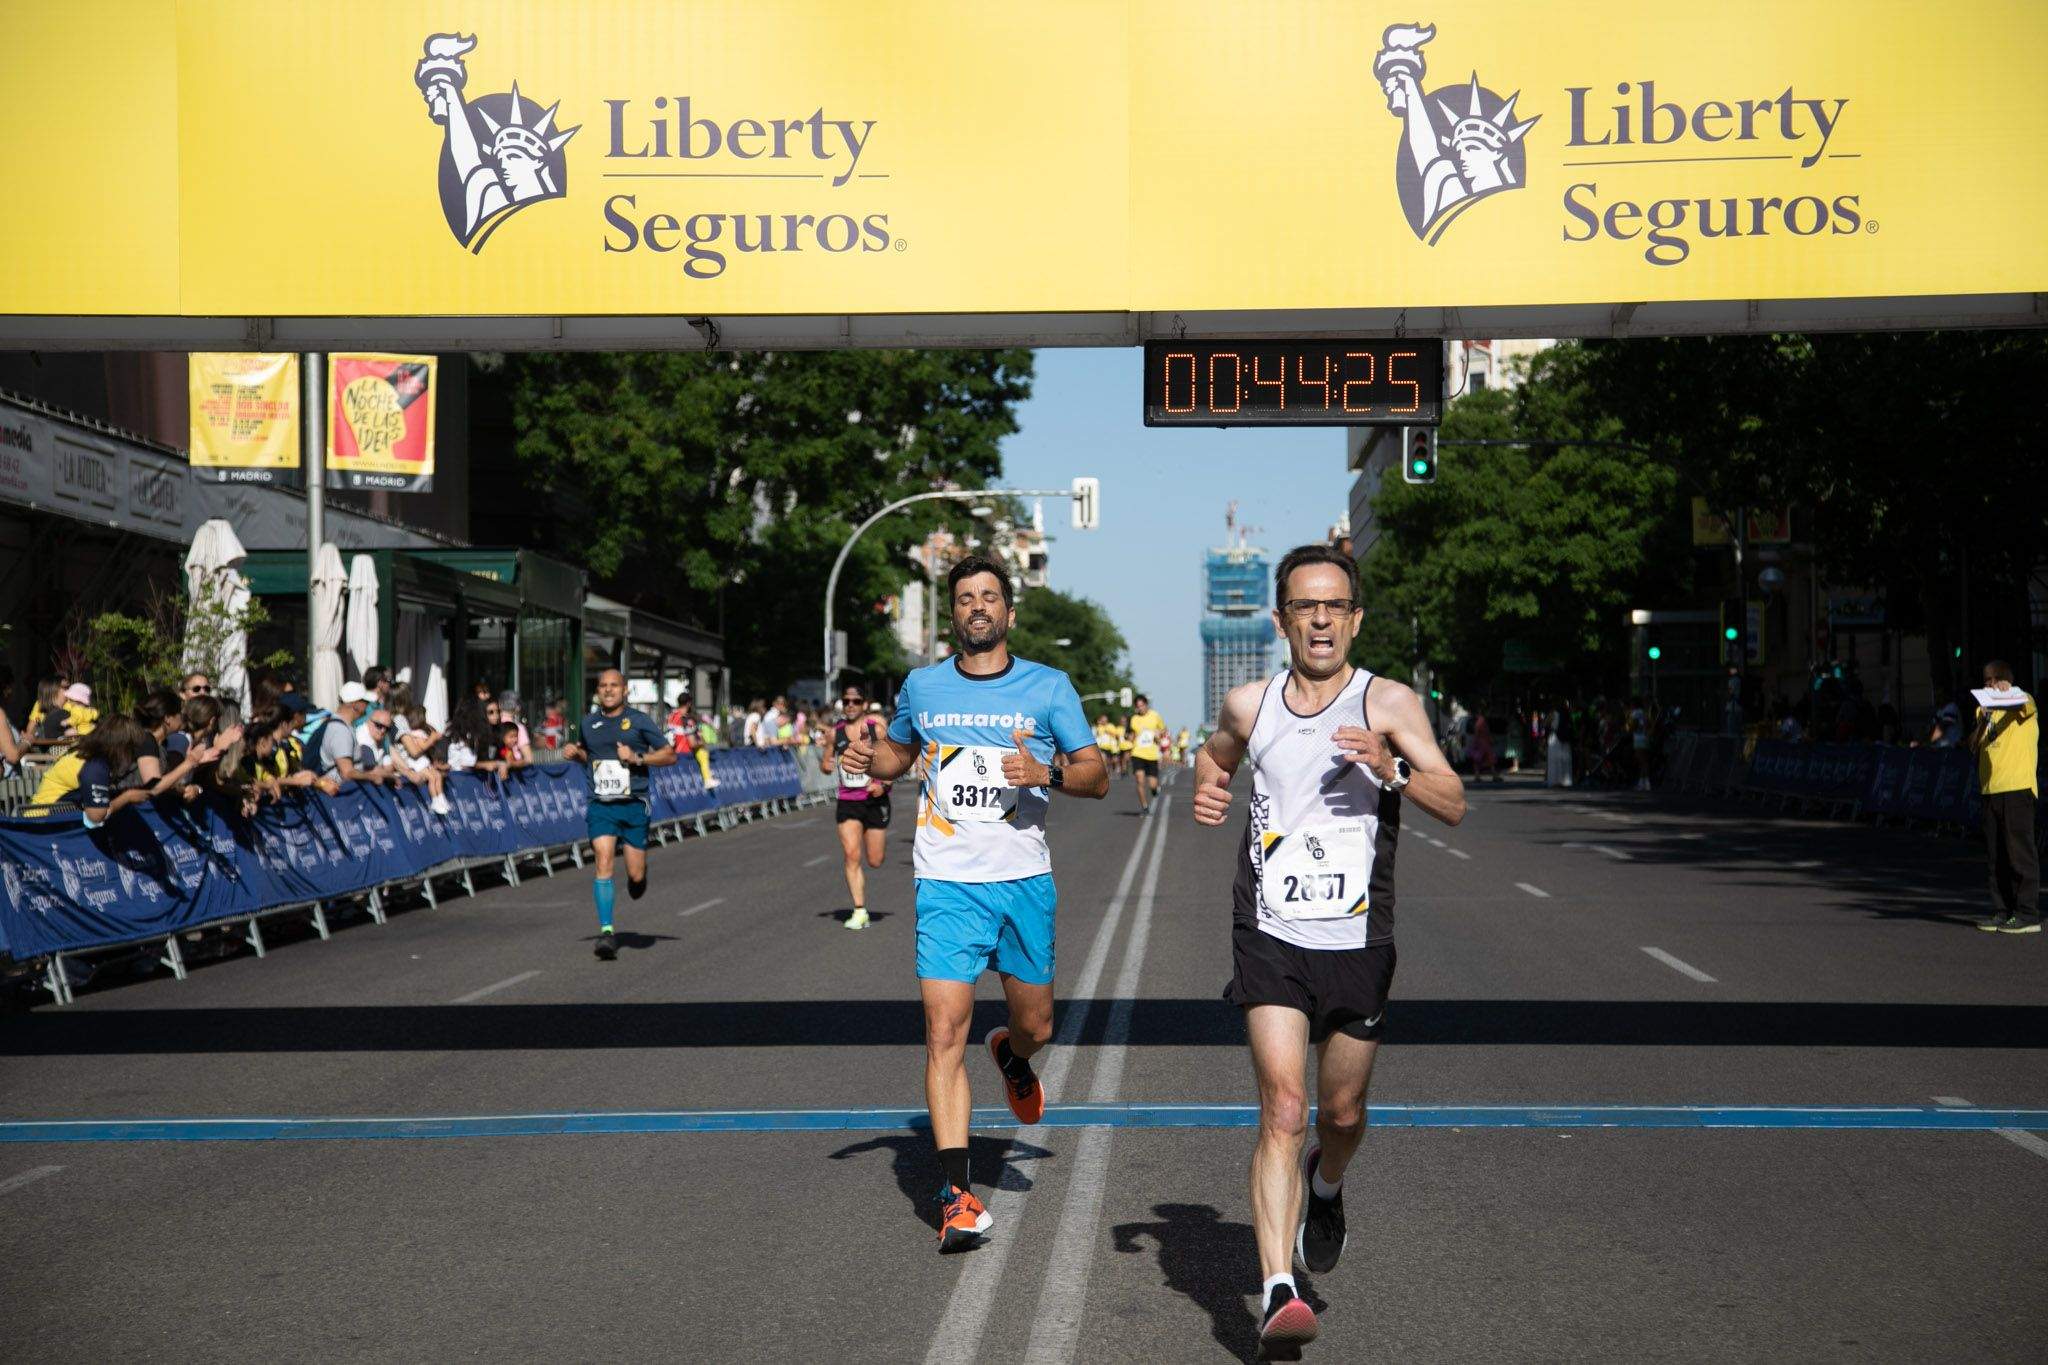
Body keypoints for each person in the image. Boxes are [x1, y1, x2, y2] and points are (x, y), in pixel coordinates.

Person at [1191, 543, 1466, 1357]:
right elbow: (1217, 754)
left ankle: (1328, 1179)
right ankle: (1278, 1286)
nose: (1319, 618)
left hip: (1359, 938)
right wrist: (1210, 784)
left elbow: (1451, 800)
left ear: (1353, 618)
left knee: (1340, 1114)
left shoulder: (1390, 702)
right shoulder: (1249, 702)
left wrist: (1392, 769)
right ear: (1281, 620)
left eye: (1333, 606)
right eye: (1305, 606)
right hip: (1270, 931)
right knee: (1283, 1104)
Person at [836, 554, 1106, 1253]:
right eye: (965, 597)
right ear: (952, 613)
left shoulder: (1049, 687)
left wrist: (1046, 770)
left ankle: (1012, 1056)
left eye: (990, 596)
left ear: (1009, 613)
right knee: (940, 1031)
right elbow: (901, 752)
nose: (977, 606)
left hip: (1022, 881)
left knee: (1038, 1025)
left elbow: (1096, 774)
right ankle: (954, 1194)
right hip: (947, 881)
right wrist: (877, 762)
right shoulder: (922, 686)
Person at [561, 667, 676, 960]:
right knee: (603, 860)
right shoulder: (588, 723)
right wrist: (577, 755)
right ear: (597, 691)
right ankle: (607, 933)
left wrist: (637, 757)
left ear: (625, 690)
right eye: (603, 686)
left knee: (635, 875)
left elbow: (669, 754)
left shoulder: (639, 721)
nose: (608, 690)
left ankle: (640, 876)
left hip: (634, 804)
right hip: (601, 804)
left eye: (614, 685)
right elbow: (592, 758)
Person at [1971, 660, 2039, 933]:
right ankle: (2002, 909)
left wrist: (2007, 690)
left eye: (1991, 680)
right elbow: (1973, 745)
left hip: (2017, 788)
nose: (1987, 685)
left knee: (2019, 852)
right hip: (1990, 789)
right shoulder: (1983, 711)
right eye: (1985, 681)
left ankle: (2028, 913)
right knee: (1995, 855)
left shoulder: (2023, 699)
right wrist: (1983, 719)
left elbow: (2021, 703)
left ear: (2003, 680)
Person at [820, 684, 891, 931]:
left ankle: (861, 910)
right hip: (848, 801)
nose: (850, 705)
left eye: (856, 701)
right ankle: (859, 910)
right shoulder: (834, 733)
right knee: (851, 854)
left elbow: (893, 761)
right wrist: (827, 764)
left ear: (864, 704)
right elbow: (826, 763)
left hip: (874, 801)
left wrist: (884, 784)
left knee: (875, 860)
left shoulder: (877, 729)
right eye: (846, 701)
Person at [29, 716, 161, 826]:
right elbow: (96, 817)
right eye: (131, 749)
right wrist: (128, 797)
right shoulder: (95, 766)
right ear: (120, 746)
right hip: (42, 822)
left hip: (57, 817)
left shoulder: (90, 754)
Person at [1127, 694, 1168, 815]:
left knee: (1152, 785)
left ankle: (1155, 790)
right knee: (1139, 781)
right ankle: (1144, 807)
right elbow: (1132, 735)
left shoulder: (1155, 716)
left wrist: (1158, 734)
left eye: (1142, 705)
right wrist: (1130, 739)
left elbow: (1164, 730)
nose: (1140, 708)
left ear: (1146, 705)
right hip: (1137, 753)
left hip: (1152, 754)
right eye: (1138, 706)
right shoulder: (1134, 719)